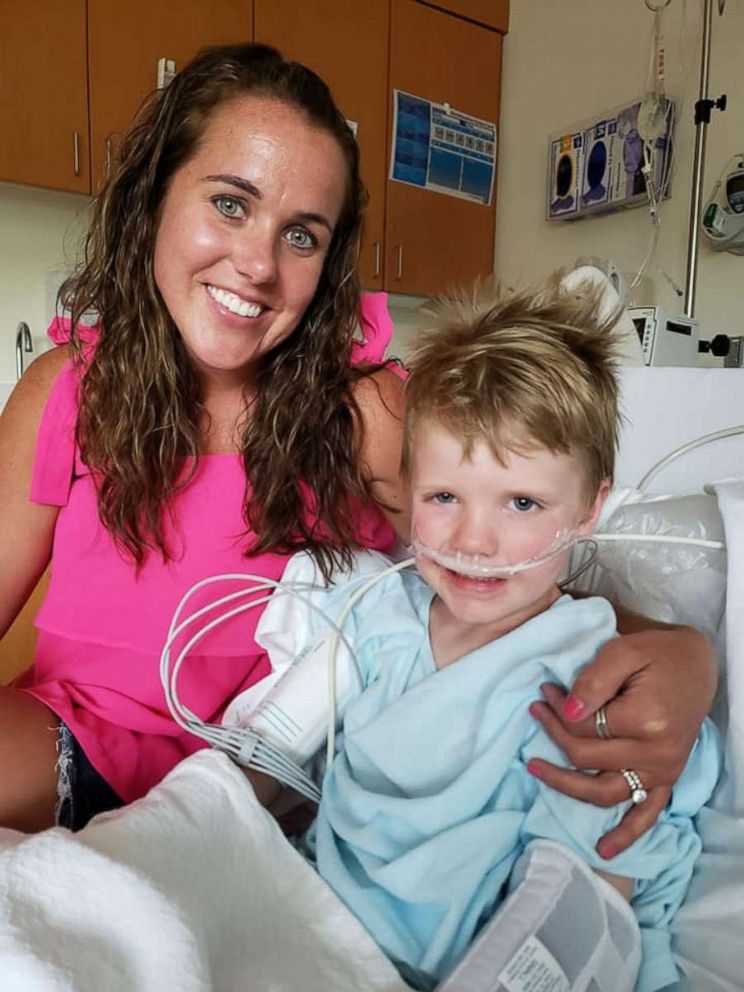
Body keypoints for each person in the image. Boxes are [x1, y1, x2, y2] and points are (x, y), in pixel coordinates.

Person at [0, 42, 715, 842]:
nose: (258, 264)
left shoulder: (364, 411)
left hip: (258, 774)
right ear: (154, 197)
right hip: (68, 733)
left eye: (301, 236)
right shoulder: (65, 388)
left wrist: (681, 652)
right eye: (230, 204)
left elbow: (509, 565)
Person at [245, 280, 718, 991]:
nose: (475, 540)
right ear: (405, 488)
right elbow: (266, 764)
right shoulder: (376, 618)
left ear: (591, 508)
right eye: (444, 498)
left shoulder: (588, 672)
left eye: (523, 503)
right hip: (319, 935)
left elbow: (594, 880)